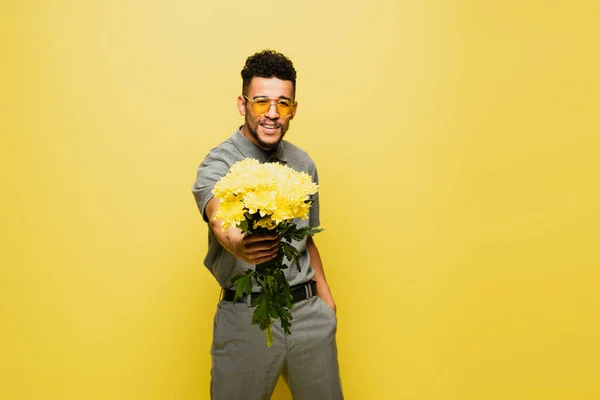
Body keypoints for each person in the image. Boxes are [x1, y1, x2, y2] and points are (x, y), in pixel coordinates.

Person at [192, 50, 343, 400]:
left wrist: (327, 303)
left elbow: (307, 238)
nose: (272, 114)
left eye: (283, 104)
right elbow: (217, 217)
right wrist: (238, 244)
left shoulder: (302, 162)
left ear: (293, 108)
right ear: (242, 104)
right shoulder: (219, 161)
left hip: (308, 315)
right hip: (246, 318)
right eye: (261, 102)